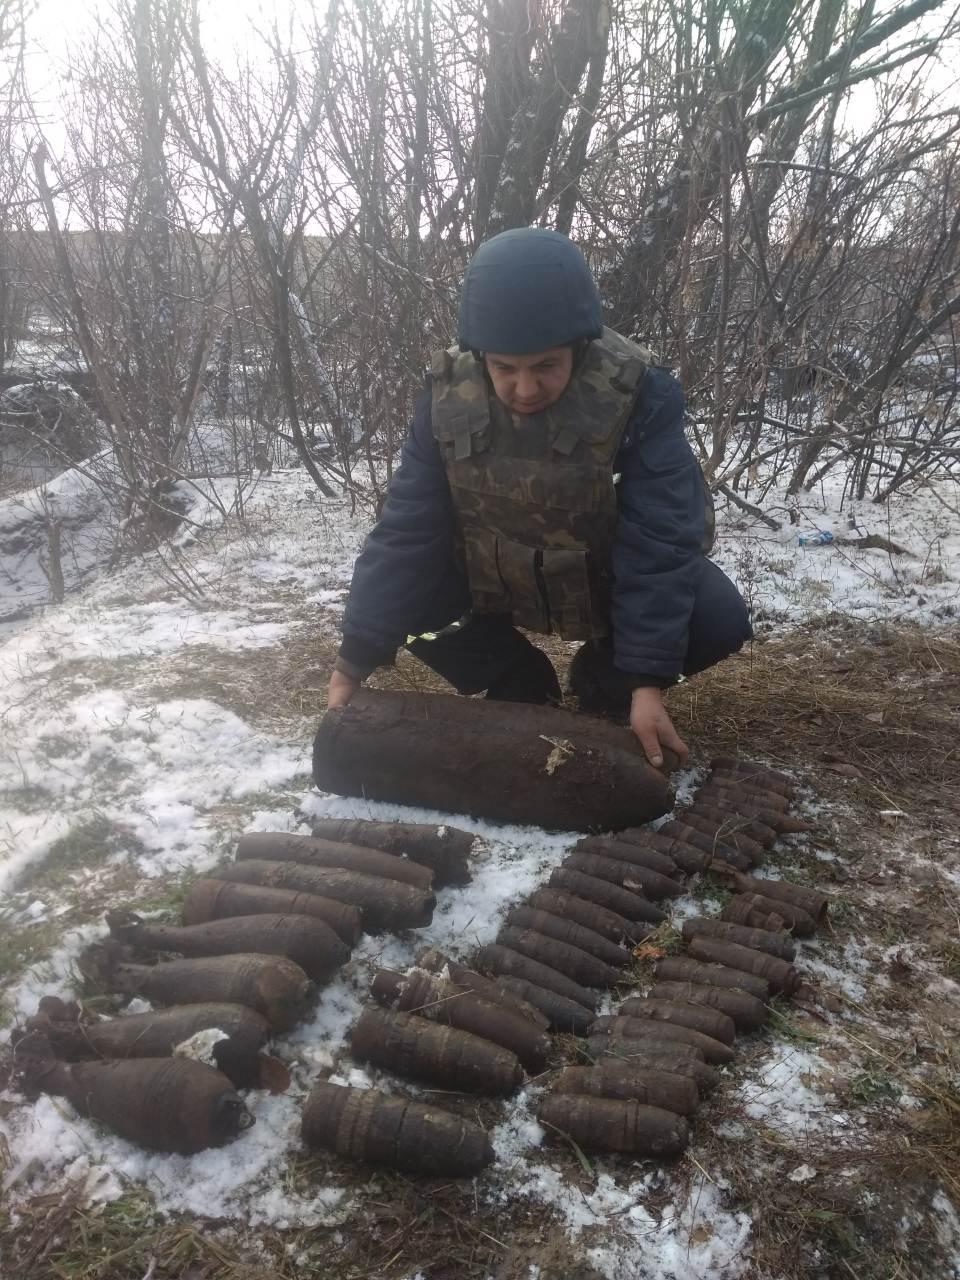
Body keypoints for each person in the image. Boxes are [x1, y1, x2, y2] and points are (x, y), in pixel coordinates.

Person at [327, 228, 751, 768]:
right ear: (481, 357)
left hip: (598, 578)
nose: (524, 389)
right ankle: (513, 678)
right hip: (488, 574)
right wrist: (355, 657)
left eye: (545, 366)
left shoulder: (640, 397)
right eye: (505, 368)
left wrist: (645, 682)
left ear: (580, 347)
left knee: (717, 616)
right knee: (410, 598)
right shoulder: (443, 395)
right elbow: (407, 528)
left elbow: (660, 539)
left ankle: (604, 680)